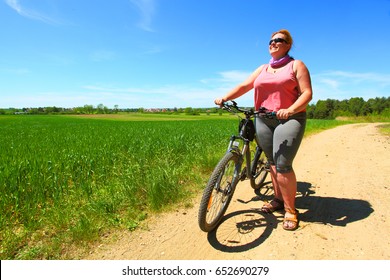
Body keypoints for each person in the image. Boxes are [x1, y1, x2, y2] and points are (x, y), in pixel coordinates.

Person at [214, 29, 312, 231]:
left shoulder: (296, 65)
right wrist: (224, 97)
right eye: (271, 40)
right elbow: (244, 86)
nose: (273, 43)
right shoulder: (262, 69)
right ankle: (278, 199)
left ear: (288, 45)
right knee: (272, 162)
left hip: (289, 118)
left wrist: (291, 109)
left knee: (283, 164)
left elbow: (307, 93)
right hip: (264, 119)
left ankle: (291, 210)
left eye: (279, 40)